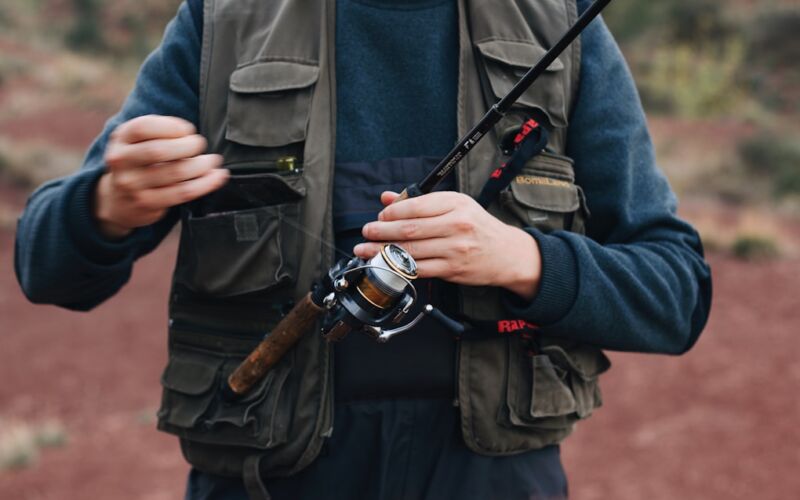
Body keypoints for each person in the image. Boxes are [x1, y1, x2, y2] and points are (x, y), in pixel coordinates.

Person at [14, 0, 712, 498]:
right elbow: (46, 267)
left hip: (494, 479)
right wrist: (103, 207)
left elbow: (677, 295)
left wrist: (524, 259)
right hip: (266, 478)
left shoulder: (562, 21)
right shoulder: (223, 20)